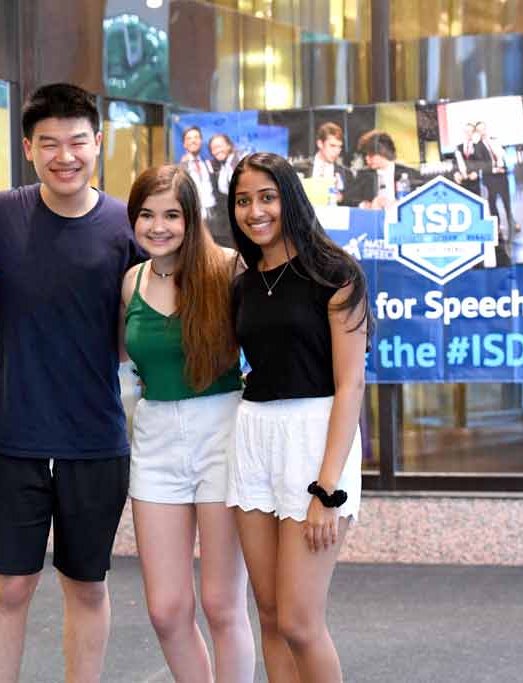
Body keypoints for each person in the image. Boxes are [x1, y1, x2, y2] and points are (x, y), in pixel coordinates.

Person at [0, 83, 145, 683]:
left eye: (78, 141)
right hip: (11, 432)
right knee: (12, 584)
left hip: (96, 437)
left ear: (98, 142)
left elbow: (146, 320)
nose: (64, 155)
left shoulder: (128, 223)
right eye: (49, 143)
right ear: (27, 148)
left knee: (87, 584)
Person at [227, 152, 369, 682]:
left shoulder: (335, 273)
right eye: (243, 201)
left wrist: (326, 488)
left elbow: (350, 383)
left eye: (267, 197)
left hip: (316, 442)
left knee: (301, 622)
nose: (255, 210)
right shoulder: (243, 283)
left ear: (290, 197)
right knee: (269, 614)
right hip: (254, 437)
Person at [121, 164, 255, 682]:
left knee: (223, 605)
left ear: (191, 216)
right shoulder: (130, 280)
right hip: (154, 442)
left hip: (223, 433)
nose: (158, 226)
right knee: (166, 610)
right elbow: (123, 361)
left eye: (171, 215)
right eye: (147, 215)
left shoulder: (229, 268)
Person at [354, 129, 421, 209]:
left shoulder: (411, 173)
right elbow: (350, 199)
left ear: (384, 152)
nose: (367, 159)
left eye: (371, 155)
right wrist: (367, 205)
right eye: (365, 155)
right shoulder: (363, 175)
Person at [294, 123, 357, 207]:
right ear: (320, 143)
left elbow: (352, 202)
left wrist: (341, 198)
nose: (337, 151)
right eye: (332, 146)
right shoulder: (299, 168)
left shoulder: (346, 173)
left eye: (339, 147)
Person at [472, 121, 515, 234]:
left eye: (483, 129)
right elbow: (480, 163)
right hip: (490, 177)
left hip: (502, 175)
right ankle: (497, 226)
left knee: (507, 200)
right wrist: (494, 169)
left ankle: (512, 222)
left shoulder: (495, 140)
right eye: (479, 130)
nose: (482, 132)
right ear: (477, 132)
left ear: (486, 129)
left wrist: (503, 166)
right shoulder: (477, 146)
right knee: (492, 202)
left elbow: (502, 155)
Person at [207, 133, 243, 246]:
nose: (216, 151)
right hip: (226, 222)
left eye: (219, 146)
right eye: (213, 148)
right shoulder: (219, 166)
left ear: (229, 146)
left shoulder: (241, 162)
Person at [179, 126, 217, 222]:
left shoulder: (208, 163)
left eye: (196, 137)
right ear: (184, 144)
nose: (193, 141)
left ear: (201, 141)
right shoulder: (180, 168)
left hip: (213, 215)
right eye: (189, 138)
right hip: (193, 216)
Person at [452, 122, 482, 195]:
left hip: (474, 182)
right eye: (466, 131)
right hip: (461, 182)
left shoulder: (479, 146)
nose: (468, 133)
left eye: (471, 131)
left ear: (474, 132)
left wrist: (477, 172)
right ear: (463, 133)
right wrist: (456, 173)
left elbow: (483, 162)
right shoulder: (458, 148)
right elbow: (454, 163)